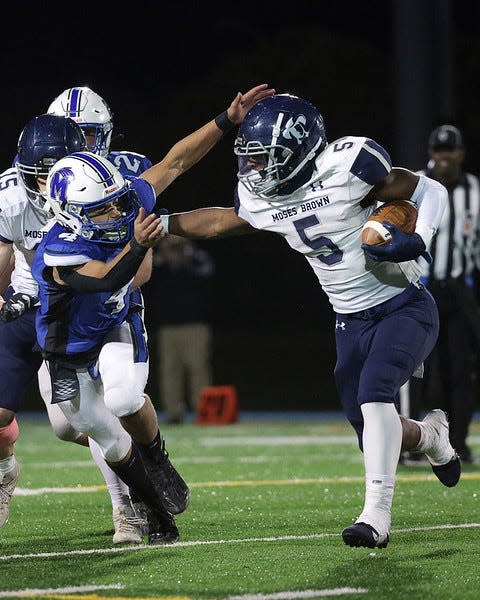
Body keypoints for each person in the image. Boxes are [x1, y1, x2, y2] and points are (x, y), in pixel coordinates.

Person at [160, 93, 461, 549]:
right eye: (250, 160)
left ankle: (375, 518)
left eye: (263, 159)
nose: (253, 170)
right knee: (372, 431)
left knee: (376, 393)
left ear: (297, 150)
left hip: (403, 304)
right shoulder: (261, 199)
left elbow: (430, 190)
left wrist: (419, 239)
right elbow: (223, 222)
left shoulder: (348, 167)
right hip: (349, 322)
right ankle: (432, 435)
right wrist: (162, 225)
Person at [30, 84, 275, 541]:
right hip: (63, 334)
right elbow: (98, 275)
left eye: (86, 134)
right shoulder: (51, 227)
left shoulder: (116, 185)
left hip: (115, 317)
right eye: (69, 135)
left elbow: (174, 166)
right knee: (72, 427)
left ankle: (144, 486)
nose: (113, 210)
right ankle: (143, 488)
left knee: (122, 401)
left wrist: (225, 120)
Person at [46, 86, 157, 542]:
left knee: (109, 405)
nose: (83, 145)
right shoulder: (36, 179)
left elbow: (140, 269)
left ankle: (127, 505)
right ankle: (139, 466)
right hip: (52, 311)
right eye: (73, 135)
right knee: (63, 424)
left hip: (105, 305)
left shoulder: (127, 171)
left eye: (89, 134)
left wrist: (96, 281)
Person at [0, 114, 86, 533]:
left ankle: (129, 491)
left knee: (75, 424)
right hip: (25, 305)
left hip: (76, 309)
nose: (40, 187)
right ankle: (3, 476)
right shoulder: (10, 197)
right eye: (33, 176)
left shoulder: (97, 189)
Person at [400, 125, 480, 464]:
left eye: (451, 151)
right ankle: (408, 444)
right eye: (439, 151)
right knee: (414, 369)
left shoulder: (475, 190)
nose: (445, 158)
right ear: (431, 154)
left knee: (460, 370)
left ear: (460, 153)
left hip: (459, 289)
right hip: (421, 287)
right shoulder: (413, 184)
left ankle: (456, 443)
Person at [144, 236, 214, 423]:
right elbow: (148, 282)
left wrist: (183, 259)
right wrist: (164, 256)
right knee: (170, 370)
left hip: (195, 325)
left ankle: (204, 411)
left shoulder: (197, 257)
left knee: (198, 369)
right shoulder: (159, 260)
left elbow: (207, 276)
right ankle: (174, 412)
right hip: (167, 326)